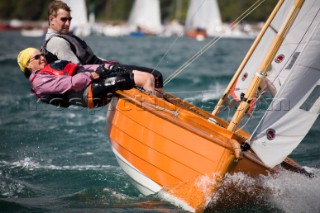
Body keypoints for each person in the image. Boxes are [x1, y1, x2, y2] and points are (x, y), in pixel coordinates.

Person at [42, 0, 163, 97]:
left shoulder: (64, 36)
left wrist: (109, 63)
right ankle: (157, 116)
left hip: (103, 67)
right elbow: (78, 70)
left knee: (155, 76)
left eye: (69, 19)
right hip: (97, 75)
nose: (68, 23)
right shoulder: (57, 42)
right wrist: (109, 71)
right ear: (51, 19)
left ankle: (159, 109)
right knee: (150, 78)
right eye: (63, 19)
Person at [17, 47, 158, 108]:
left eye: (41, 54)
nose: (42, 58)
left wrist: (108, 67)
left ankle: (156, 105)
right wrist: (94, 74)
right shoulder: (39, 82)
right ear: (28, 65)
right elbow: (71, 83)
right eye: (37, 57)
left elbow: (81, 69)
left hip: (91, 84)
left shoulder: (50, 68)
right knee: (144, 79)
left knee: (148, 77)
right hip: (88, 94)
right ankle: (157, 115)